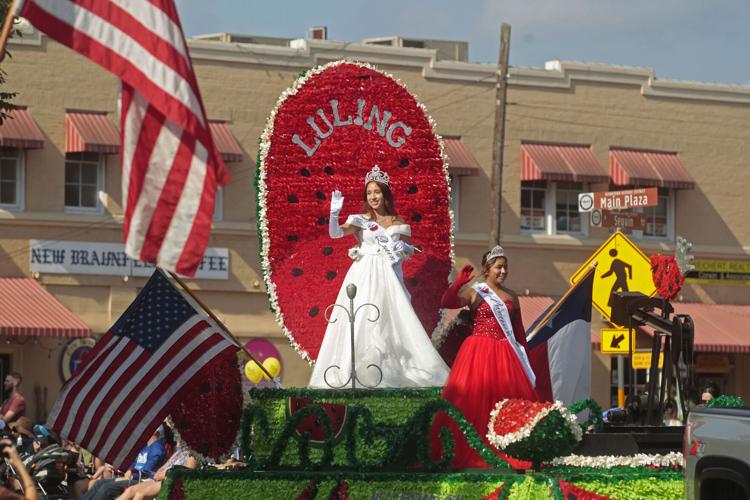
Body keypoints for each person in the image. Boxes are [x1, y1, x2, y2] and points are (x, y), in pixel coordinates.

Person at [309, 165, 450, 388]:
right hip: (364, 275)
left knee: (390, 319)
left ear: (385, 194)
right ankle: (354, 371)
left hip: (389, 279)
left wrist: (403, 250)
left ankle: (392, 370)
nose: (373, 197)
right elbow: (335, 234)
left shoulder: (398, 223)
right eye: (369, 193)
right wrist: (334, 214)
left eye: (377, 192)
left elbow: (408, 251)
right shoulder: (360, 220)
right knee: (362, 317)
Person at [433, 246, 539, 468]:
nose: (503, 271)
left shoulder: (511, 296)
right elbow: (447, 302)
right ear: (487, 269)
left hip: (506, 354)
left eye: (505, 267)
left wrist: (527, 361)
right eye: (499, 267)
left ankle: (508, 449)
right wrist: (458, 283)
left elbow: (519, 334)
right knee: (472, 401)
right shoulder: (475, 292)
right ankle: (471, 450)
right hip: (478, 352)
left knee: (505, 403)